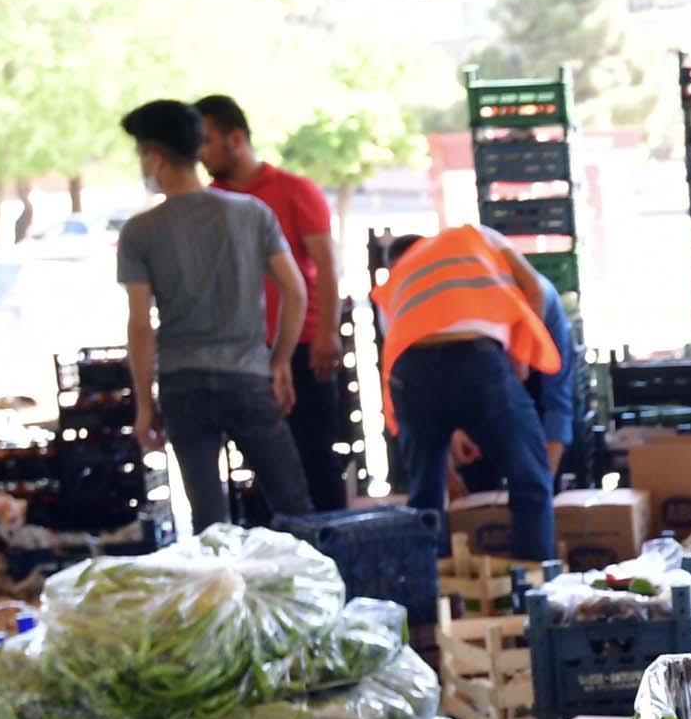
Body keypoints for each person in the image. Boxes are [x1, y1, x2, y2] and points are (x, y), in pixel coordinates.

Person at [116, 99, 312, 530]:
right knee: (292, 505)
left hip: (183, 385)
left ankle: (221, 596)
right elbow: (296, 291)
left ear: (154, 155)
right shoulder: (251, 213)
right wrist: (278, 360)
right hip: (248, 376)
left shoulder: (140, 232)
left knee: (209, 522)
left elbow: (140, 325)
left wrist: (144, 404)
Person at [195, 94, 347, 512]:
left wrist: (327, 333)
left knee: (316, 457)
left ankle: (336, 557)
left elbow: (326, 265)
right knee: (263, 468)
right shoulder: (207, 203)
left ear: (236, 138)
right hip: (245, 354)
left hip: (303, 345)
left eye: (205, 140)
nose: (199, 153)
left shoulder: (294, 190)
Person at [373, 224, 561, 560]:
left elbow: (422, 366)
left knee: (424, 499)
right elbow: (534, 287)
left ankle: (430, 596)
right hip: (476, 361)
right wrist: (518, 360)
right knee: (531, 481)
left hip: (409, 373)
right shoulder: (477, 235)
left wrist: (451, 441)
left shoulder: (398, 282)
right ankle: (532, 592)